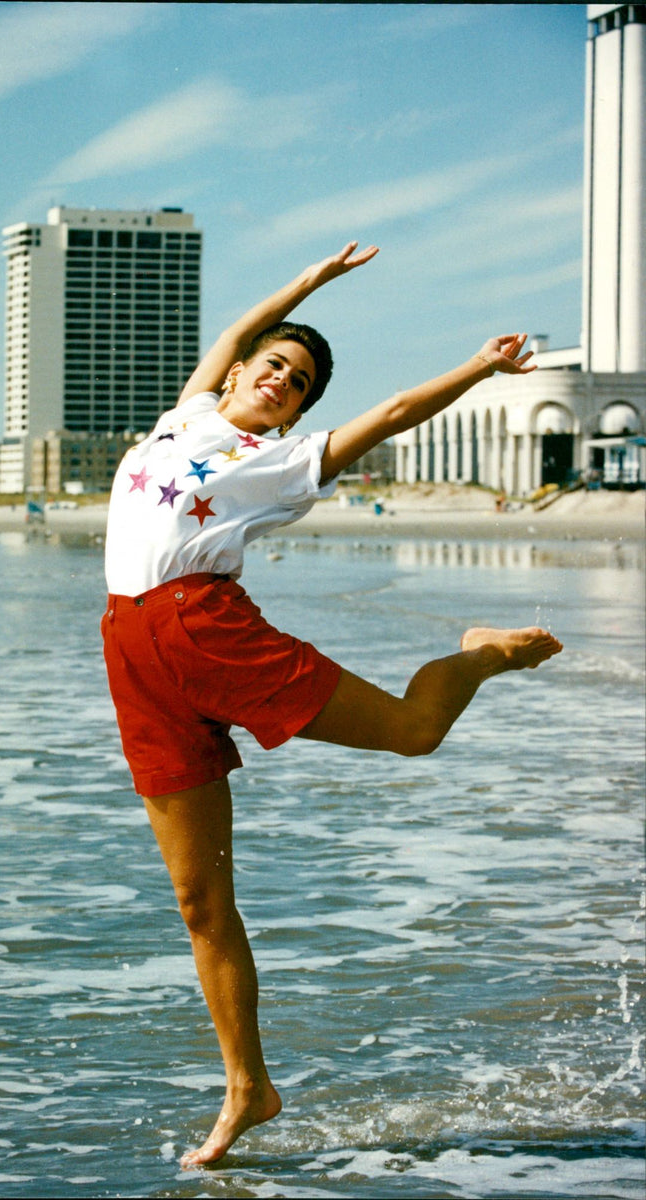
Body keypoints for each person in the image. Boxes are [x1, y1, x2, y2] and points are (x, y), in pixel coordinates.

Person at [101, 242, 562, 1168]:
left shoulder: (279, 461)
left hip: (210, 633)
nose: (280, 379)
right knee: (199, 902)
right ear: (237, 373)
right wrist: (309, 284)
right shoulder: (183, 415)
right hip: (132, 656)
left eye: (300, 382)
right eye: (274, 365)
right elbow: (235, 327)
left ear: (301, 410)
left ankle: (476, 657)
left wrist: (482, 365)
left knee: (416, 732)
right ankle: (249, 1089)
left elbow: (391, 415)